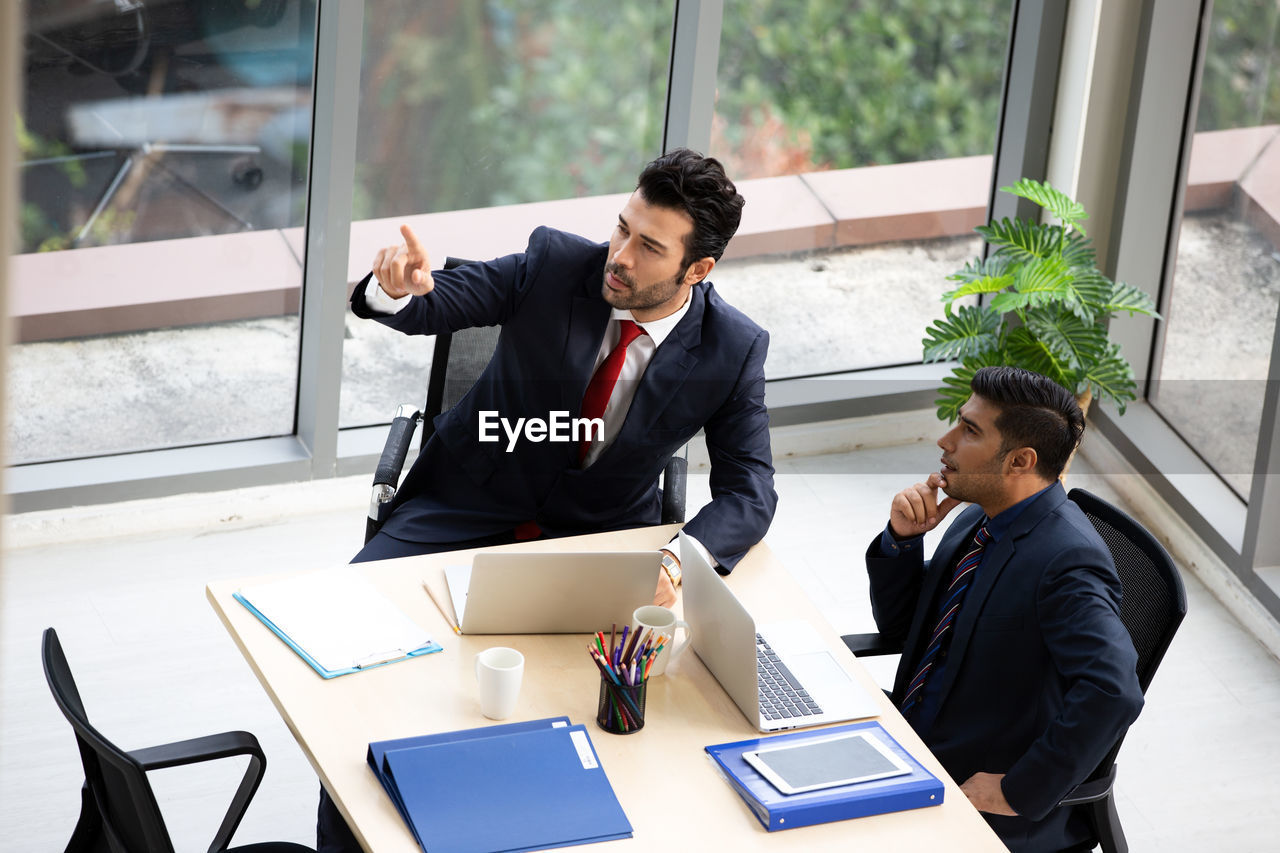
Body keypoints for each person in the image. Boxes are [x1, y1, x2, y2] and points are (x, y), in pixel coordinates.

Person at [317, 149, 777, 853]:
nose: (618, 255)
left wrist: (681, 558)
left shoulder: (732, 348)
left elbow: (751, 488)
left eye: (648, 247)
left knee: (582, 715)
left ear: (697, 270)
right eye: (621, 227)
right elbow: (446, 298)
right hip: (460, 508)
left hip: (590, 547)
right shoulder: (557, 263)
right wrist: (400, 290)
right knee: (347, 655)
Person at [865, 366, 1143, 852]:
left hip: (972, 796)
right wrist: (903, 543)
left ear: (1019, 461)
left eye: (969, 431)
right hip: (907, 743)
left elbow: (1113, 691)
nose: (945, 441)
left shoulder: (1068, 563)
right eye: (958, 422)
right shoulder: (977, 518)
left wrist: (1019, 789)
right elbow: (905, 630)